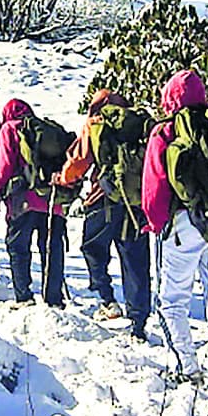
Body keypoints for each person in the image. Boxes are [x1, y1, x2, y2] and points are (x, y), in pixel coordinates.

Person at [142, 69, 208, 389]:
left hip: (182, 223)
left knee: (172, 300)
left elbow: (155, 187)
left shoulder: (166, 132)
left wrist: (157, 223)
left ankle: (185, 366)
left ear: (170, 99)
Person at [55, 90, 152, 340]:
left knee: (92, 248)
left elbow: (79, 161)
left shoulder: (95, 125)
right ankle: (138, 321)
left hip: (103, 199)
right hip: (136, 201)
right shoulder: (140, 123)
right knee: (136, 260)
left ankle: (107, 300)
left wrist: (63, 179)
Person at [0, 99, 67, 308]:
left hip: (22, 201)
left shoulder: (10, 129)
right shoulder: (45, 131)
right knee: (51, 249)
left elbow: (2, 167)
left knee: (18, 248)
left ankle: (24, 297)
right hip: (53, 200)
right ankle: (54, 299)